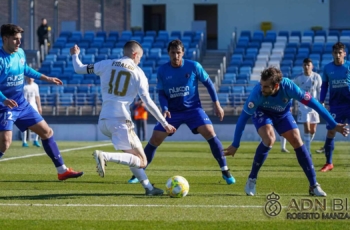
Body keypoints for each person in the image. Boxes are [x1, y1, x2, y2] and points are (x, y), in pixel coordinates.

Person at [70, 41, 176, 196]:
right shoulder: (139, 73)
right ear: (135, 55)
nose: (139, 60)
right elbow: (148, 102)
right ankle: (105, 156)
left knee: (132, 157)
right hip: (120, 121)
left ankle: (149, 188)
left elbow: (79, 69)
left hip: (104, 121)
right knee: (142, 161)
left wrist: (75, 55)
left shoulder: (106, 64)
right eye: (139, 57)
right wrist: (165, 123)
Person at [223, 67, 348, 197]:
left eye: (265, 86)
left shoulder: (289, 87)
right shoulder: (257, 94)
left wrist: (333, 124)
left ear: (276, 85)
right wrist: (235, 144)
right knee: (269, 139)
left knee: (297, 141)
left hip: (282, 114)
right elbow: (243, 118)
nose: (262, 88)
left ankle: (314, 185)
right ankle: (251, 180)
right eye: (261, 84)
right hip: (262, 113)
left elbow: (314, 104)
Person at [127, 39, 235, 185]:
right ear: (168, 54)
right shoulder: (163, 70)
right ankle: (140, 171)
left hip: (193, 110)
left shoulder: (194, 66)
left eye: (178, 53)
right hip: (172, 112)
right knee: (155, 139)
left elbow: (208, 83)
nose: (176, 56)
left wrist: (217, 103)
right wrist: (164, 108)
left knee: (210, 131)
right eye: (173, 53)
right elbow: (161, 93)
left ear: (183, 53)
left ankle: (225, 170)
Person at [0, 23, 83, 181]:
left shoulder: (20, 53)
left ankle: (62, 170)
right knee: (5, 143)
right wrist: (4, 100)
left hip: (21, 104)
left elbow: (26, 70)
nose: (19, 42)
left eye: (20, 39)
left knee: (47, 132)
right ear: (5, 39)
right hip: (4, 107)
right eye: (15, 39)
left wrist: (47, 78)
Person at [318, 42, 350, 172]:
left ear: (344, 54)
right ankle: (329, 163)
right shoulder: (327, 68)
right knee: (331, 131)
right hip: (336, 105)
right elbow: (324, 85)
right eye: (335, 53)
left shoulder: (348, 66)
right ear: (332, 54)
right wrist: (321, 100)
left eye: (340, 53)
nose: (337, 55)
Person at [292, 58, 322, 156]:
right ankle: (308, 151)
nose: (306, 67)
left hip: (314, 106)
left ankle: (306, 144)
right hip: (303, 106)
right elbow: (293, 89)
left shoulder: (317, 77)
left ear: (312, 66)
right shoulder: (298, 78)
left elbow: (320, 90)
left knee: (313, 130)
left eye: (308, 65)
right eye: (305, 65)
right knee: (307, 128)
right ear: (302, 66)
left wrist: (321, 102)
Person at [22, 77, 42, 147]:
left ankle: (35, 140)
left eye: (32, 78)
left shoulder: (35, 86)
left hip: (34, 106)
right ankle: (24, 141)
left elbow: (37, 96)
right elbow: (23, 98)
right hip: (25, 106)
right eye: (29, 78)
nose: (30, 79)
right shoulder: (24, 86)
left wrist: (39, 106)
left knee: (38, 122)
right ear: (26, 78)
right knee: (24, 124)